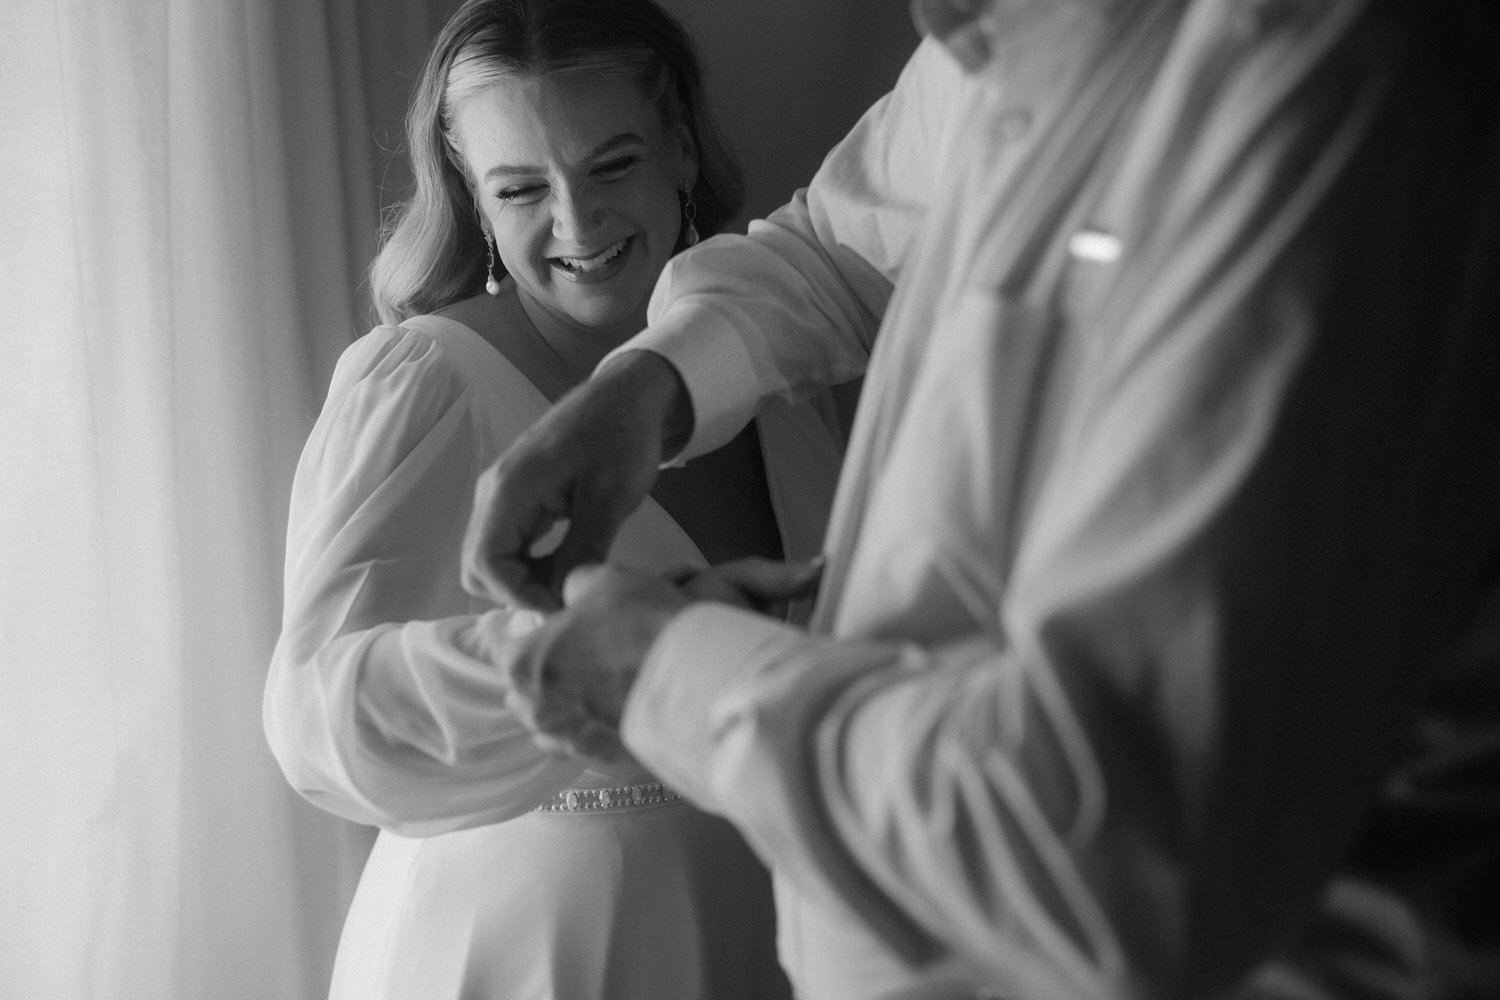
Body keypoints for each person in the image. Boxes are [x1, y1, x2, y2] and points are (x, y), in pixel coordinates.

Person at [460, 1, 1500, 998]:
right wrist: (647, 387)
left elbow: (1112, 852)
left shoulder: (1326, 82)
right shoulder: (985, 52)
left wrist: (667, 670)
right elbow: (836, 250)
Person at [262, 1, 845, 997]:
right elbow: (316, 721)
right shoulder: (422, 381)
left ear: (683, 151)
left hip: (777, 915)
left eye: (612, 164)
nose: (577, 223)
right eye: (522, 188)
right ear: (475, 203)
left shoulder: (773, 365)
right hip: (537, 939)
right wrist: (587, 664)